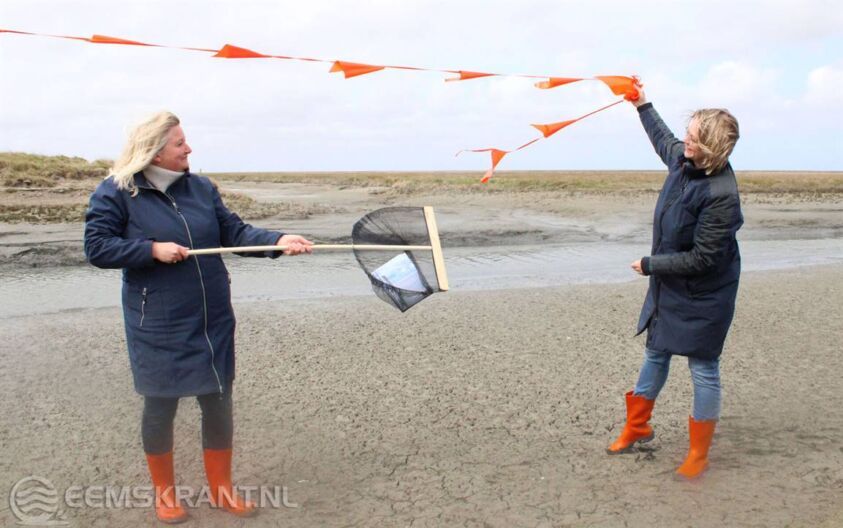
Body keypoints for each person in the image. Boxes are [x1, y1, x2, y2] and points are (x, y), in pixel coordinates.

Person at [84, 111, 313, 523]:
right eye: (179, 143)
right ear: (154, 150)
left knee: (219, 401)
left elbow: (236, 234)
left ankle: (222, 490)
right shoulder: (116, 192)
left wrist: (278, 240)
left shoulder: (202, 188)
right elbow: (97, 247)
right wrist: (150, 250)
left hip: (212, 318)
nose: (188, 148)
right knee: (161, 406)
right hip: (157, 321)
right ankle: (165, 495)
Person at [606, 86, 742, 480]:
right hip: (670, 284)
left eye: (695, 136)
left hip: (706, 292)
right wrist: (641, 103)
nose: (686, 138)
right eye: (689, 130)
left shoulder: (721, 195)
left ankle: (698, 453)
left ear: (710, 148)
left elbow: (704, 258)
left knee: (703, 368)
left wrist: (650, 264)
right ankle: (636, 427)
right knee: (655, 354)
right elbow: (661, 137)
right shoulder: (682, 163)